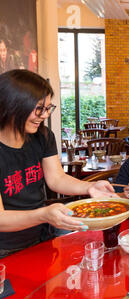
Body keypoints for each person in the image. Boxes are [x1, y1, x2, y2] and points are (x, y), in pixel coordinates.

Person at [0, 69, 117, 258]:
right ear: (13, 105)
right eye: (39, 108)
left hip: (41, 234)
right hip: (5, 248)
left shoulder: (42, 136)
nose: (45, 115)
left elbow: (56, 178)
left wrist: (90, 187)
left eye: (48, 108)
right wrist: (43, 214)